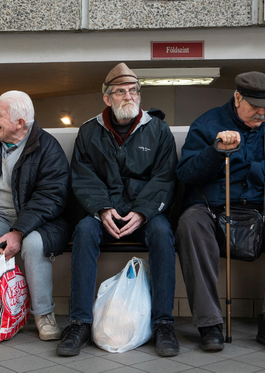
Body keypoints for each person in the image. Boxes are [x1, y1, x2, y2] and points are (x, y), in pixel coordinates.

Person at [175, 71, 265, 355]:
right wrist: (215, 151)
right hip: (214, 209)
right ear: (238, 97)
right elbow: (186, 173)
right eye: (256, 108)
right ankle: (209, 324)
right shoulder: (207, 124)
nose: (263, 114)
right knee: (189, 224)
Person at [57, 63, 180, 357]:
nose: (129, 97)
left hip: (145, 213)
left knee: (163, 233)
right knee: (84, 231)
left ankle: (163, 322)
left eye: (133, 91)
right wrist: (102, 210)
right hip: (104, 213)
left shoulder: (159, 131)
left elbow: (165, 178)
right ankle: (80, 322)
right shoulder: (88, 132)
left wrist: (142, 212)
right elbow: (83, 177)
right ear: (107, 98)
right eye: (121, 92)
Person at [0, 90, 71, 342]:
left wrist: (19, 231)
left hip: (39, 219)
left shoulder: (48, 147)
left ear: (20, 123)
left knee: (34, 244)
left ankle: (43, 314)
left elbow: (52, 197)